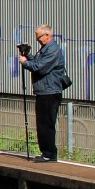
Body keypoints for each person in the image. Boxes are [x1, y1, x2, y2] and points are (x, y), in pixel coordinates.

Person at [19, 24, 68, 163]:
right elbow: (37, 62)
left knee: (46, 123)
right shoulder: (45, 49)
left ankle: (49, 153)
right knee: (42, 123)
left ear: (47, 35)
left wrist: (25, 63)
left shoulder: (53, 50)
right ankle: (46, 152)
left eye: (39, 37)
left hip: (50, 92)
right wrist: (28, 55)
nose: (38, 40)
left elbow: (40, 68)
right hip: (44, 91)